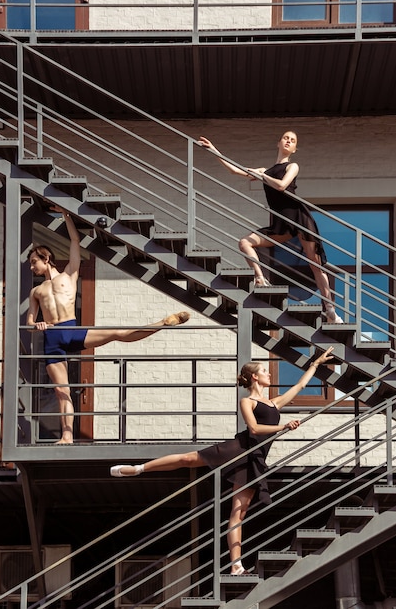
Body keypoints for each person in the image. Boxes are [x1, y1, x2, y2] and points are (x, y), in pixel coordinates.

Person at [110, 346, 335, 575]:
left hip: (254, 460)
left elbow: (300, 386)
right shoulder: (248, 402)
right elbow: (255, 428)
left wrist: (315, 364)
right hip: (238, 449)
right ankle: (139, 468)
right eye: (265, 371)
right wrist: (283, 426)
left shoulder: (274, 403)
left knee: (239, 512)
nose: (269, 374)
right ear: (254, 377)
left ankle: (236, 566)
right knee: (189, 459)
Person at [26, 207, 190, 444]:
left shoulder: (69, 274)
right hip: (52, 338)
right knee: (62, 390)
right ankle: (67, 436)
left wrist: (66, 215)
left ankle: (161, 324)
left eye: (34, 262)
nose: (32, 267)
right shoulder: (35, 291)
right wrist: (36, 325)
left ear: (46, 258)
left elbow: (74, 240)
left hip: (72, 329)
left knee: (115, 333)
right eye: (30, 265)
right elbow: (30, 321)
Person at [198, 132, 343, 324]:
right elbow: (235, 171)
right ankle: (260, 279)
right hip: (280, 223)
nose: (288, 141)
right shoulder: (264, 171)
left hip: (299, 217)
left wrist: (262, 176)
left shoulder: (292, 166)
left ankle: (331, 311)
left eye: (292, 141)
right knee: (244, 243)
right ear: (279, 143)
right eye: (286, 138)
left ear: (294, 148)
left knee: (315, 264)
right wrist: (214, 150)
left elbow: (282, 186)